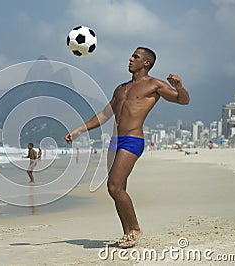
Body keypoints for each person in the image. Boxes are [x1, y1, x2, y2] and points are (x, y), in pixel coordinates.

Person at [64, 47, 189, 248]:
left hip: (132, 140)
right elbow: (104, 115)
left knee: (113, 185)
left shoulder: (154, 85)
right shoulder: (121, 88)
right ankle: (127, 233)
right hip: (115, 141)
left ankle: (136, 229)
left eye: (135, 57)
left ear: (146, 63)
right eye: (131, 56)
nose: (130, 59)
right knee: (118, 189)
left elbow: (182, 100)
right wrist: (79, 130)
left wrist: (180, 87)